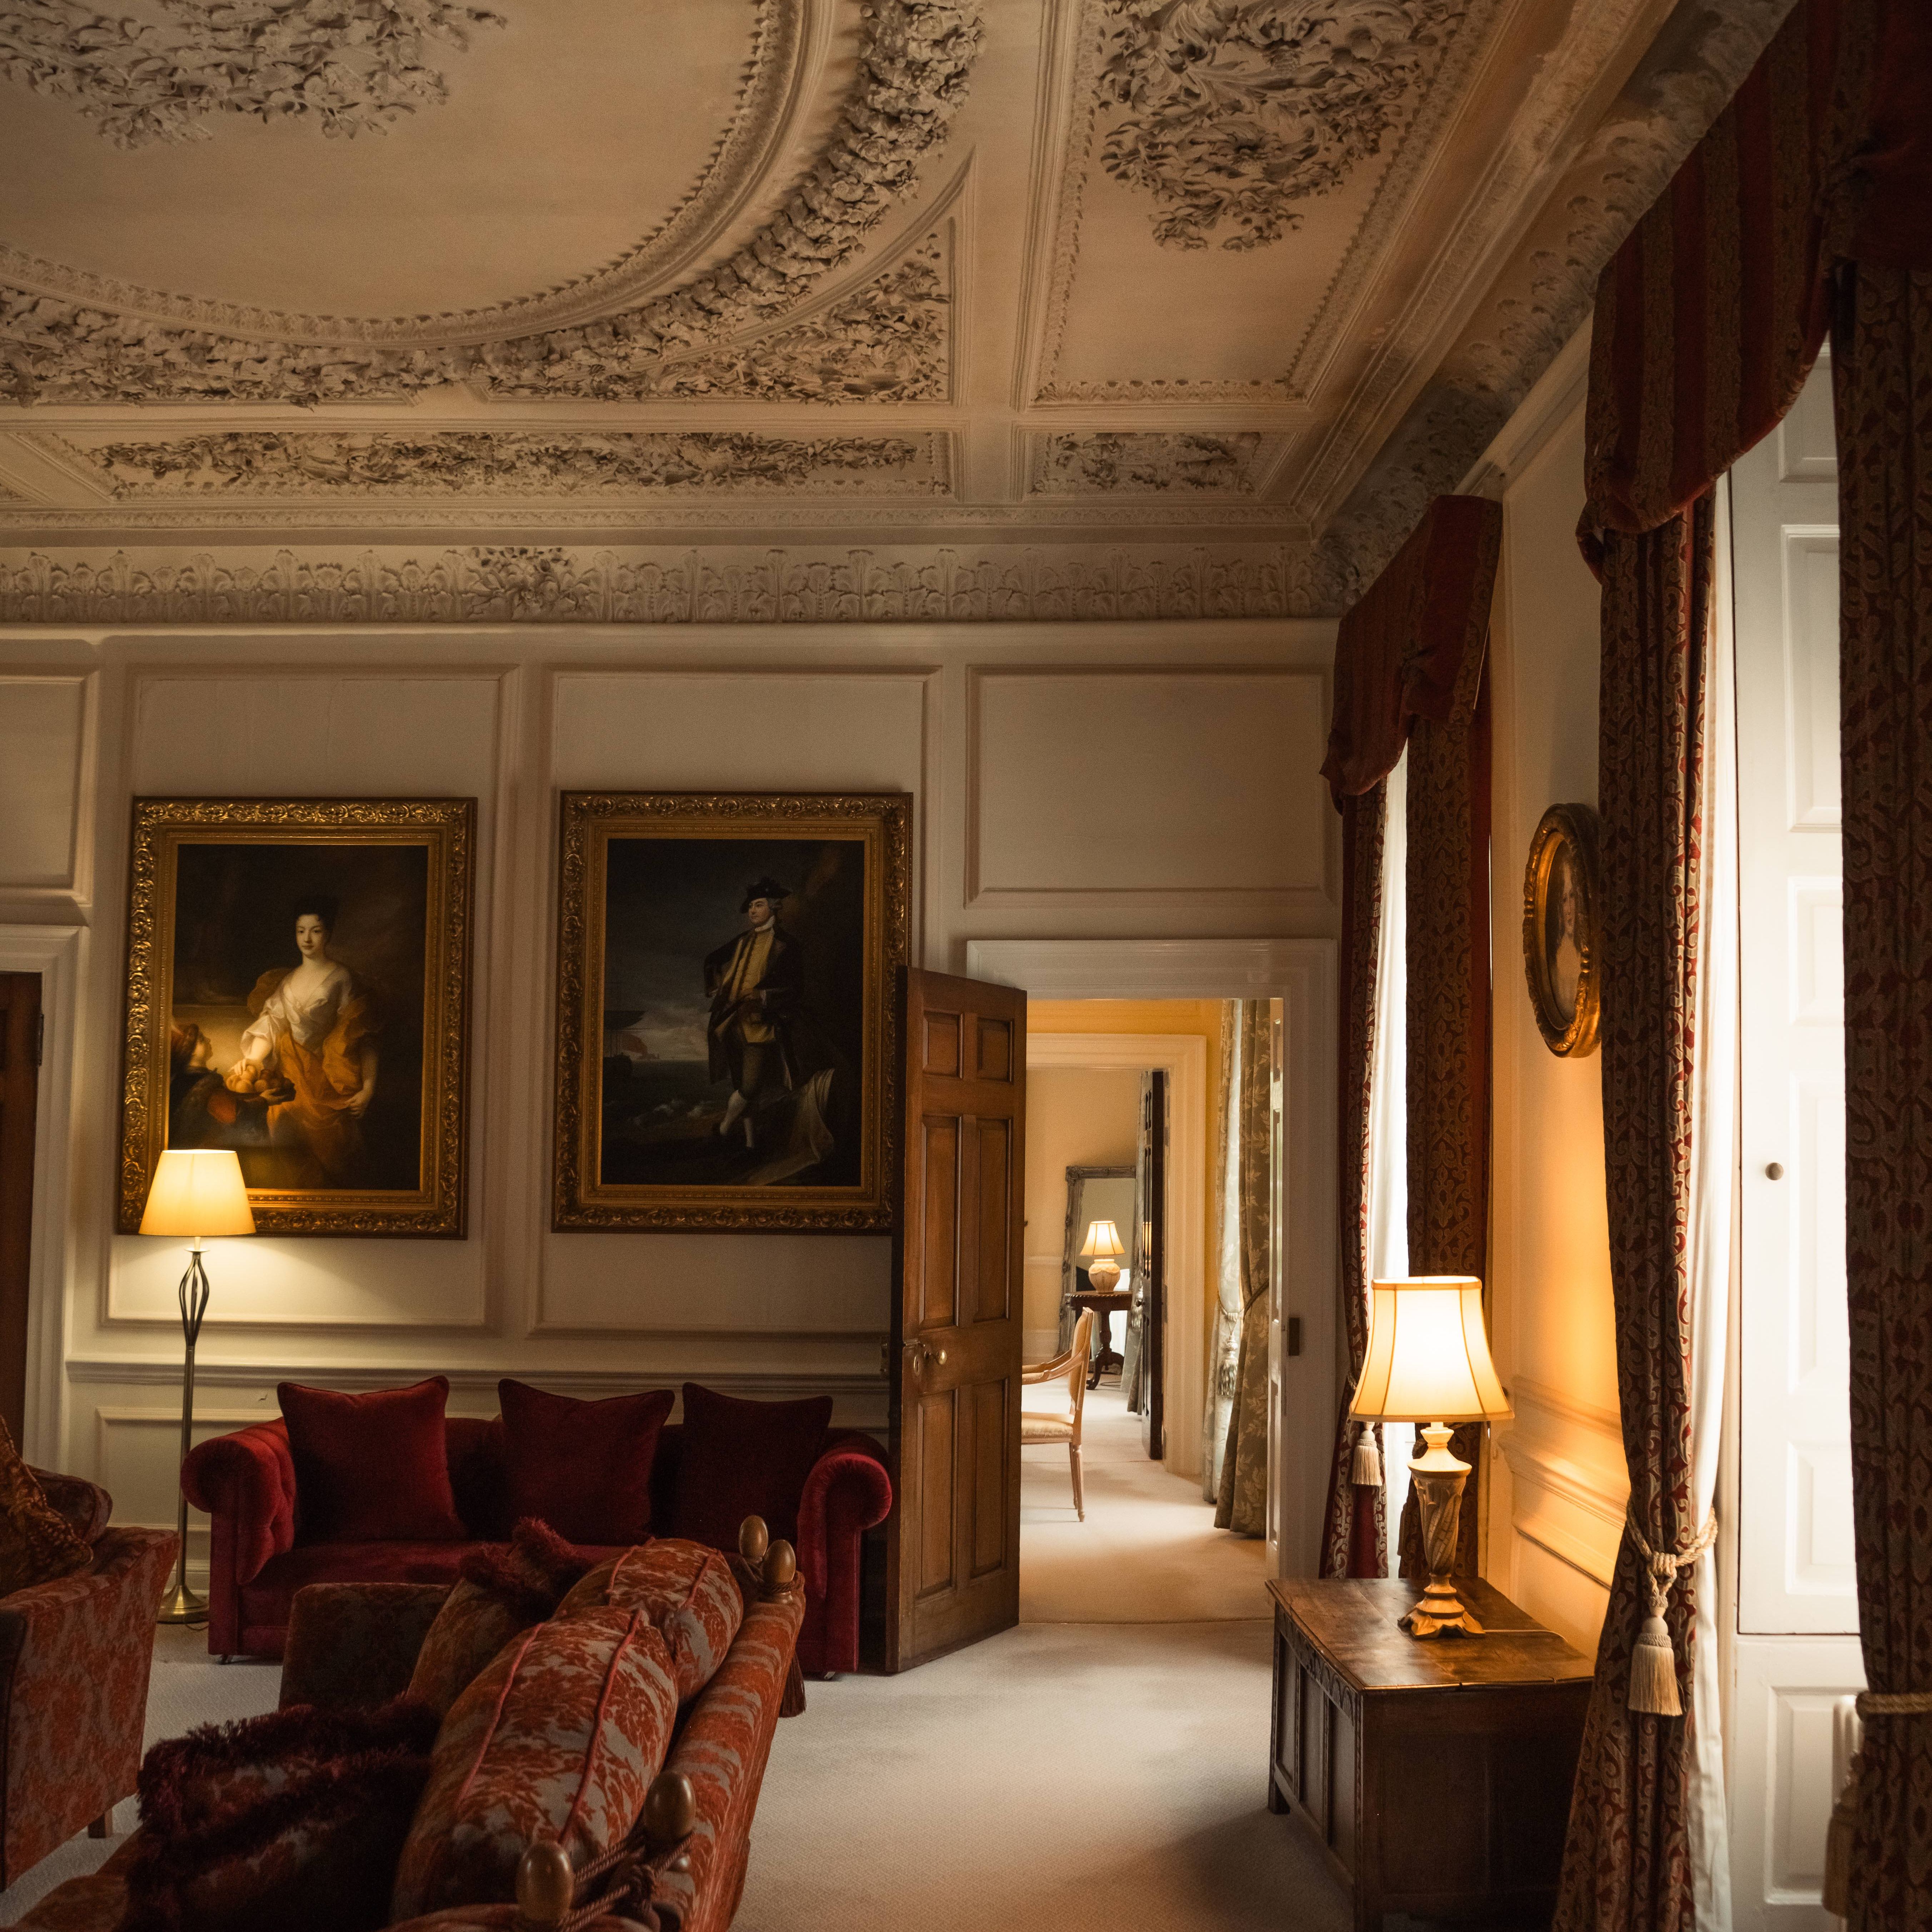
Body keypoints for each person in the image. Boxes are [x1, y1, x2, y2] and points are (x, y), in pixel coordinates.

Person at [226, 896, 380, 1188]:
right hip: (290, 1084)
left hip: (328, 1083)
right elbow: (271, 1024)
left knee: (336, 1160)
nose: (307, 939)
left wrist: (369, 1087)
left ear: (329, 933)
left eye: (316, 930)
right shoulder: (287, 982)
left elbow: (361, 1034)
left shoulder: (341, 978)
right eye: (301, 930)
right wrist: (255, 1060)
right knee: (289, 1159)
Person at [703, 876, 804, 1149]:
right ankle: (751, 1145)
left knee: (749, 1088)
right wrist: (714, 986)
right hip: (732, 1022)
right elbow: (712, 959)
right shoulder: (742, 941)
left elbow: (797, 989)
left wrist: (762, 995)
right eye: (750, 907)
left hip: (762, 1024)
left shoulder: (787, 945)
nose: (752, 911)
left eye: (758, 906)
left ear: (774, 907)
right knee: (744, 1087)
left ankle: (724, 1128)